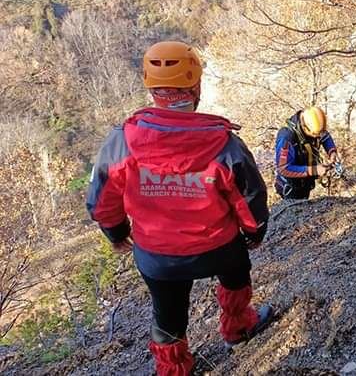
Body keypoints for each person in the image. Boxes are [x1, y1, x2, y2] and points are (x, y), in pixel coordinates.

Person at [86, 41, 272, 376]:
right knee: (236, 276)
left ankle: (174, 371)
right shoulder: (223, 142)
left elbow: (103, 198)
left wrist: (116, 232)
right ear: (196, 86)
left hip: (158, 257)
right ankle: (239, 330)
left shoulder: (122, 141)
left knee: (167, 315)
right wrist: (255, 232)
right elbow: (249, 196)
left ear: (152, 88)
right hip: (220, 248)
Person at [273, 106, 339, 200]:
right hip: (291, 188)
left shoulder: (313, 126)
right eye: (316, 134)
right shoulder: (287, 138)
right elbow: (284, 169)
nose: (318, 136)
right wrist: (314, 170)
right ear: (305, 128)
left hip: (305, 183)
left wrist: (332, 152)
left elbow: (325, 136)